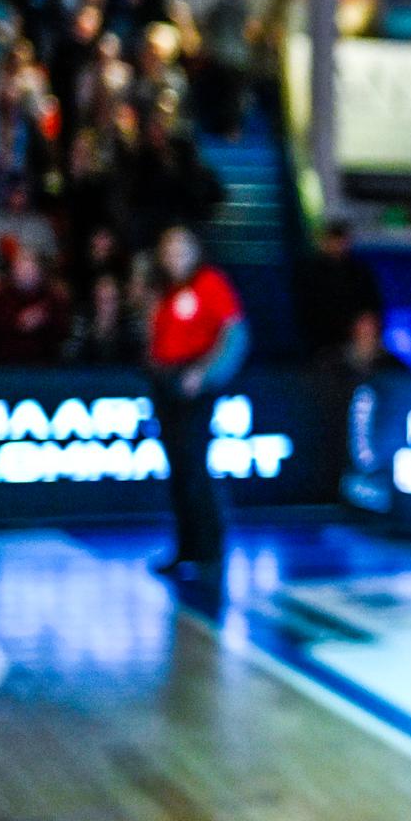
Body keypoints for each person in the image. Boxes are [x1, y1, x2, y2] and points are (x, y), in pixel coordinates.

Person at [148, 226, 249, 578]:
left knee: (194, 467)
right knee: (177, 469)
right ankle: (185, 548)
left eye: (181, 249)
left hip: (196, 386)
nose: (174, 257)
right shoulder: (168, 290)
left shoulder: (210, 283)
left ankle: (210, 550)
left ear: (194, 251)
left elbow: (235, 335)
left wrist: (204, 375)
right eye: (168, 250)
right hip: (167, 383)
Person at [299, 219, 383, 360]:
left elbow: (372, 303)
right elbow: (309, 310)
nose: (338, 245)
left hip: (355, 336)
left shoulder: (359, 271)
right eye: (334, 240)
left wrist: (363, 326)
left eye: (341, 241)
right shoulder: (311, 272)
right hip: (324, 337)